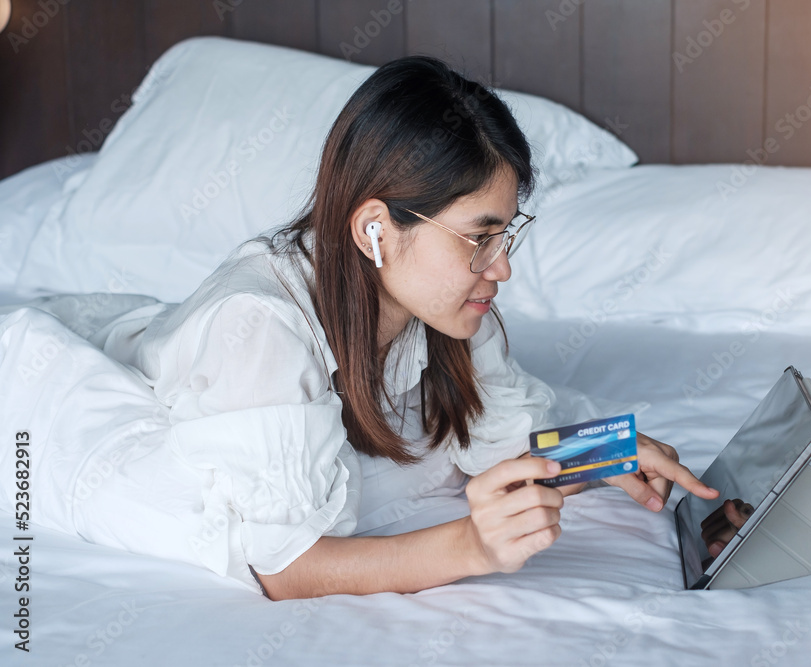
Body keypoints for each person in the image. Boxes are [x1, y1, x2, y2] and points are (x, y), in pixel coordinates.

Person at [0, 55, 717, 601]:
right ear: (377, 228)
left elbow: (493, 433)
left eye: (508, 235)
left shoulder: (446, 304)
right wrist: (473, 546)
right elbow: (284, 566)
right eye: (480, 237)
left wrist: (610, 452)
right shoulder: (260, 328)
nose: (501, 269)